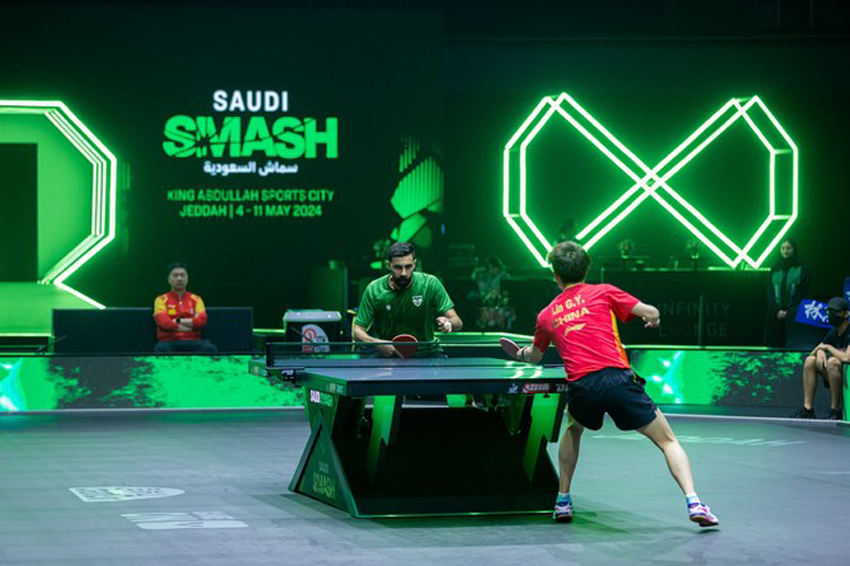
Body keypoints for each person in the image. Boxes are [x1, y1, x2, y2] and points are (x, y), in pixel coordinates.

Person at [510, 241, 719, 527]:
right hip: (618, 380)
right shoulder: (604, 292)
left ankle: (563, 500)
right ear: (586, 269)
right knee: (668, 441)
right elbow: (651, 312)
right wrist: (653, 320)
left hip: (583, 385)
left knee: (573, 428)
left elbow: (534, 356)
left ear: (556, 276)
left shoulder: (546, 315)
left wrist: (522, 354)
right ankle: (694, 501)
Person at [353, 241, 462, 357]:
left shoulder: (430, 284)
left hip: (428, 352)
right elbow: (357, 332)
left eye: (408, 266)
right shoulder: (374, 289)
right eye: (398, 267)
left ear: (414, 264)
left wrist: (448, 323)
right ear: (388, 265)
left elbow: (458, 322)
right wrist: (378, 344)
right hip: (389, 353)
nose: (404, 273)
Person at [790, 297, 849, 420]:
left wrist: (827, 347)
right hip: (839, 375)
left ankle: (835, 410)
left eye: (836, 312)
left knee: (832, 362)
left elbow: (847, 358)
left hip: (847, 375)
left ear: (846, 314)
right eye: (829, 311)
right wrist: (821, 350)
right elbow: (813, 353)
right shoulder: (833, 332)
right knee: (810, 361)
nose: (832, 315)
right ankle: (807, 409)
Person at [153, 262, 217, 353]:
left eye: (182, 275)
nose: (179, 278)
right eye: (175, 276)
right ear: (169, 279)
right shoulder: (161, 299)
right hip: (168, 341)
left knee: (209, 348)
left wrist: (177, 321)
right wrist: (190, 327)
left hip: (193, 341)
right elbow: (164, 323)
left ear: (187, 278)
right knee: (161, 349)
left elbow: (201, 321)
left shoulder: (196, 299)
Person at [765, 238, 810, 347]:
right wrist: (776, 310)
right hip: (775, 316)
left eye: (788, 248)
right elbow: (770, 292)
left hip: (794, 316)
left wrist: (789, 312)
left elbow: (802, 293)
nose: (785, 251)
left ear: (794, 249)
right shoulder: (775, 269)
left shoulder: (802, 269)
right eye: (783, 248)